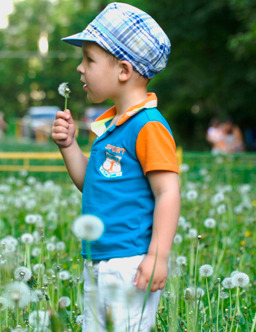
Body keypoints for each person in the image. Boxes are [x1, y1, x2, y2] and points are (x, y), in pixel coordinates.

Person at [51, 3, 180, 331]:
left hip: (130, 262)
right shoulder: (110, 126)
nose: (80, 69)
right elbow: (91, 183)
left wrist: (157, 257)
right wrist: (69, 147)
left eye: (89, 60)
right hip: (96, 258)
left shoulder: (148, 126)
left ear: (123, 70)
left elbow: (168, 193)